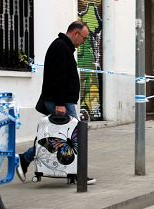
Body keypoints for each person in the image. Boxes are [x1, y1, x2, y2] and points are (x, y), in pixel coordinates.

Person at [16, 21, 96, 185]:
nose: (83, 42)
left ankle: (24, 159)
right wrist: (60, 103)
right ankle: (79, 174)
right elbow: (59, 78)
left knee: (56, 136)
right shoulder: (61, 48)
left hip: (61, 101)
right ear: (75, 33)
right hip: (60, 102)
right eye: (84, 38)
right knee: (76, 137)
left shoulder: (63, 47)